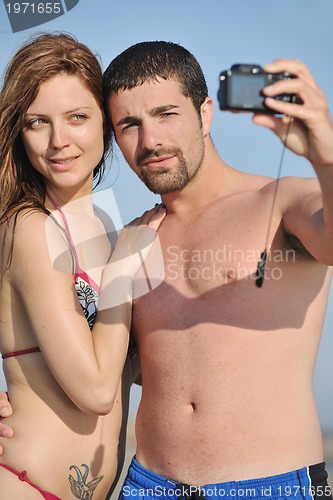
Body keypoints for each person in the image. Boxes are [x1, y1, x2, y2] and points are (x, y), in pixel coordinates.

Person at [1, 40, 333, 499]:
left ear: (206, 113)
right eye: (129, 124)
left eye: (166, 114)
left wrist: (326, 156)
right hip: (145, 485)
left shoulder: (283, 203)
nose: (150, 140)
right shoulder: (130, 239)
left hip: (270, 485)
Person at [0, 34, 165, 499]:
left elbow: (126, 370)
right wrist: (121, 275)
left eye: (77, 117)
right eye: (37, 122)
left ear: (106, 125)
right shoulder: (27, 226)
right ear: (18, 131)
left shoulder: (108, 228)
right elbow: (95, 390)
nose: (59, 142)